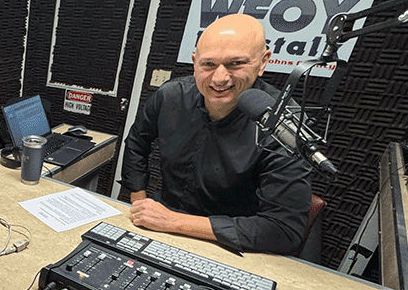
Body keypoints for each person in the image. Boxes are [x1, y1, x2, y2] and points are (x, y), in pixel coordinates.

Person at [120, 13, 312, 255]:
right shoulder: (170, 96)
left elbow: (283, 231)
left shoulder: (285, 124)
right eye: (208, 64)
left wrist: (174, 222)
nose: (220, 78)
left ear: (263, 62)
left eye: (236, 64)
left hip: (231, 244)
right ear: (195, 61)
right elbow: (137, 143)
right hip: (163, 220)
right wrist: (139, 202)